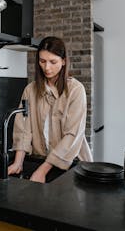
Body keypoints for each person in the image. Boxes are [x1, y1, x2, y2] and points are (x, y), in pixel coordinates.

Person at [8, 36, 93, 183]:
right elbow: (23, 129)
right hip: (39, 159)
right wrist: (18, 162)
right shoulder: (30, 90)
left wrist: (42, 170)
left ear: (64, 61)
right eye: (42, 61)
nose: (47, 67)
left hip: (72, 164)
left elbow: (72, 135)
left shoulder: (75, 90)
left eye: (53, 62)